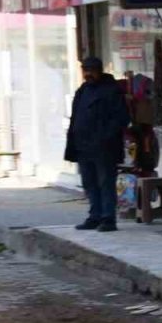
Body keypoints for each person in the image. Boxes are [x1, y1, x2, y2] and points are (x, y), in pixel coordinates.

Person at [65, 56, 130, 232]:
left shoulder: (111, 90)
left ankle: (108, 218)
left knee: (105, 182)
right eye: (85, 70)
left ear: (99, 70)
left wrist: (105, 137)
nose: (88, 74)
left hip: (104, 147)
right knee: (89, 182)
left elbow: (121, 118)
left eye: (91, 70)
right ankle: (95, 215)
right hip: (83, 146)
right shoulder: (83, 90)